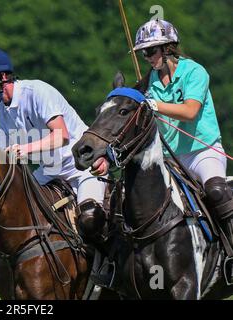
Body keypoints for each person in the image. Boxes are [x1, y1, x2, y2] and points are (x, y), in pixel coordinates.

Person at [92, 19, 233, 254]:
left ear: (168, 48)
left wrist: (154, 104)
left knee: (216, 192)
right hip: (168, 159)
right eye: (142, 53)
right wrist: (106, 157)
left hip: (202, 152)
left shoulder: (195, 72)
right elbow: (125, 124)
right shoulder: (148, 83)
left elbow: (190, 111)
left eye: (149, 51)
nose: (146, 57)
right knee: (124, 202)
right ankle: (117, 266)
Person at [0, 48, 107, 238]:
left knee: (89, 220)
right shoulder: (1, 114)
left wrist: (25, 149)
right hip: (48, 172)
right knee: (13, 208)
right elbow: (4, 157)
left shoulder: (37, 91)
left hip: (82, 167)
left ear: (2, 77)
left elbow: (61, 136)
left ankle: (108, 265)